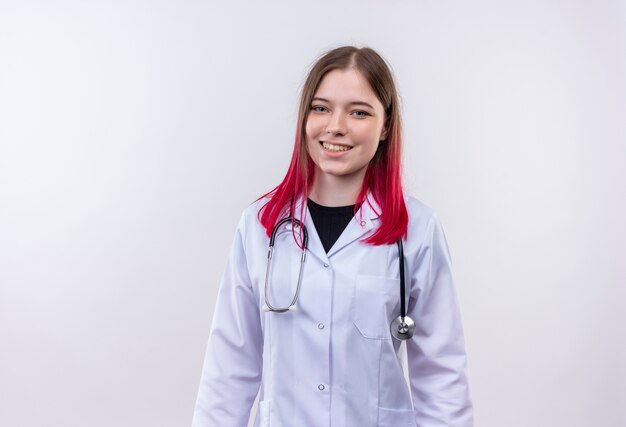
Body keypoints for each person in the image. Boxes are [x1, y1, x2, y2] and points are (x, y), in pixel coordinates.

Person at [192, 46, 473, 427]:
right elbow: (228, 370)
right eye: (321, 108)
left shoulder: (417, 230)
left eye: (358, 112)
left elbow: (442, 378)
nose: (335, 126)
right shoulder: (259, 226)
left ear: (386, 125)